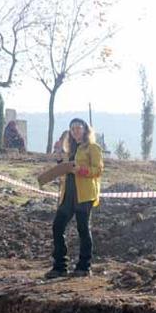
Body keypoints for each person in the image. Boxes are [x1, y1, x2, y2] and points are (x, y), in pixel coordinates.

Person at [45, 118, 104, 279]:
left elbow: (97, 170)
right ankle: (59, 266)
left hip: (84, 195)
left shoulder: (93, 148)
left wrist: (80, 170)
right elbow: (64, 166)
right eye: (72, 129)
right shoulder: (70, 150)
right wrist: (59, 157)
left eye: (78, 128)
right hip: (68, 194)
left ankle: (84, 267)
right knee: (58, 226)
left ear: (85, 130)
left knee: (83, 229)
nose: (75, 131)